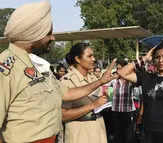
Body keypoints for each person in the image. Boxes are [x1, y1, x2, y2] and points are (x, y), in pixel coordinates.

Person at [0, 1, 117, 143]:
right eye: (48, 33)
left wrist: (100, 81)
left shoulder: (39, 66)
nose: (53, 38)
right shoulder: (6, 69)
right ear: (33, 34)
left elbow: (67, 94)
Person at [61, 43, 108, 143]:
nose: (94, 59)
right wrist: (92, 105)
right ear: (78, 59)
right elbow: (63, 115)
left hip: (98, 128)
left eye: (93, 56)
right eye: (89, 56)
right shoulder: (67, 81)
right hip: (80, 132)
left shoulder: (93, 78)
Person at [107, 60, 137, 143]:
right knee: (118, 135)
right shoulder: (113, 81)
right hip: (116, 112)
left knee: (129, 136)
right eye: (117, 68)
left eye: (121, 68)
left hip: (128, 112)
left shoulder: (131, 81)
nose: (118, 70)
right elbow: (109, 96)